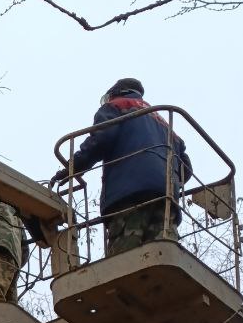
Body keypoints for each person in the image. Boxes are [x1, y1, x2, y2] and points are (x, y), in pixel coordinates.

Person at [51, 77, 192, 257]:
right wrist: (166, 181)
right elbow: (186, 169)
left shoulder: (116, 106)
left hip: (129, 195)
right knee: (162, 255)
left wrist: (73, 167)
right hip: (165, 198)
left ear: (115, 93)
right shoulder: (165, 123)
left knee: (125, 258)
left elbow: (101, 139)